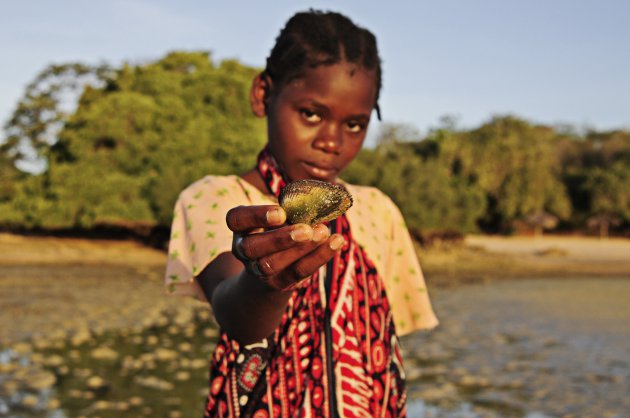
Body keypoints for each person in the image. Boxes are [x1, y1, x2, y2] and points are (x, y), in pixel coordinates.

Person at [165, 9, 438, 417]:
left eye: (355, 124)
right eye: (311, 114)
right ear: (263, 95)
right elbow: (237, 316)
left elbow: (385, 342)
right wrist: (265, 283)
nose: (331, 141)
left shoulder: (378, 211)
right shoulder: (215, 198)